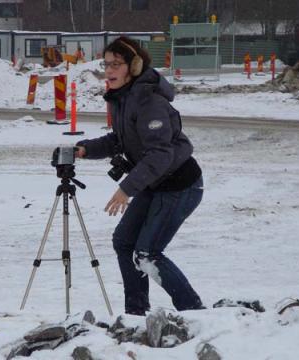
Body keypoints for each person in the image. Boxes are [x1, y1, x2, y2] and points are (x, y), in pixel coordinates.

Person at [75, 36, 204, 315]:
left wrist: (126, 189)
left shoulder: (148, 101)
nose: (109, 70)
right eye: (106, 64)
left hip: (179, 184)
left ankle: (195, 312)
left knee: (147, 253)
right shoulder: (123, 98)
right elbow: (120, 139)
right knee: (124, 242)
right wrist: (83, 150)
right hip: (154, 181)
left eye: (116, 64)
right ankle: (136, 313)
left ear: (133, 66)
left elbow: (160, 154)